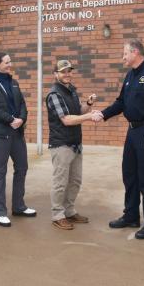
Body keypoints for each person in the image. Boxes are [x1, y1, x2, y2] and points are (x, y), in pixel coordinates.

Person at [93, 39, 144, 239]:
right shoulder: (130, 75)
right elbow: (121, 102)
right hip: (133, 131)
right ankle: (131, 215)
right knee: (130, 175)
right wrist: (103, 113)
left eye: (125, 53)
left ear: (135, 52)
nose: (123, 57)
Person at [0, 52, 36, 227]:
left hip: (17, 133)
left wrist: (21, 119)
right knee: (0, 171)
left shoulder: (14, 82)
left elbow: (22, 105)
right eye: (7, 62)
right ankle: (0, 211)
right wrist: (10, 119)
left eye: (10, 61)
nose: (10, 64)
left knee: (22, 167)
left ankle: (19, 206)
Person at [45, 60, 101, 230]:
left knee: (75, 181)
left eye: (69, 71)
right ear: (56, 74)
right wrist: (90, 116)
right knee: (60, 183)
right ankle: (57, 215)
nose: (67, 74)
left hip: (75, 144)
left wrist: (88, 105)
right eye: (63, 71)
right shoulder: (55, 94)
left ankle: (69, 211)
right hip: (61, 144)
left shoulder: (71, 91)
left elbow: (77, 113)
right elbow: (67, 120)